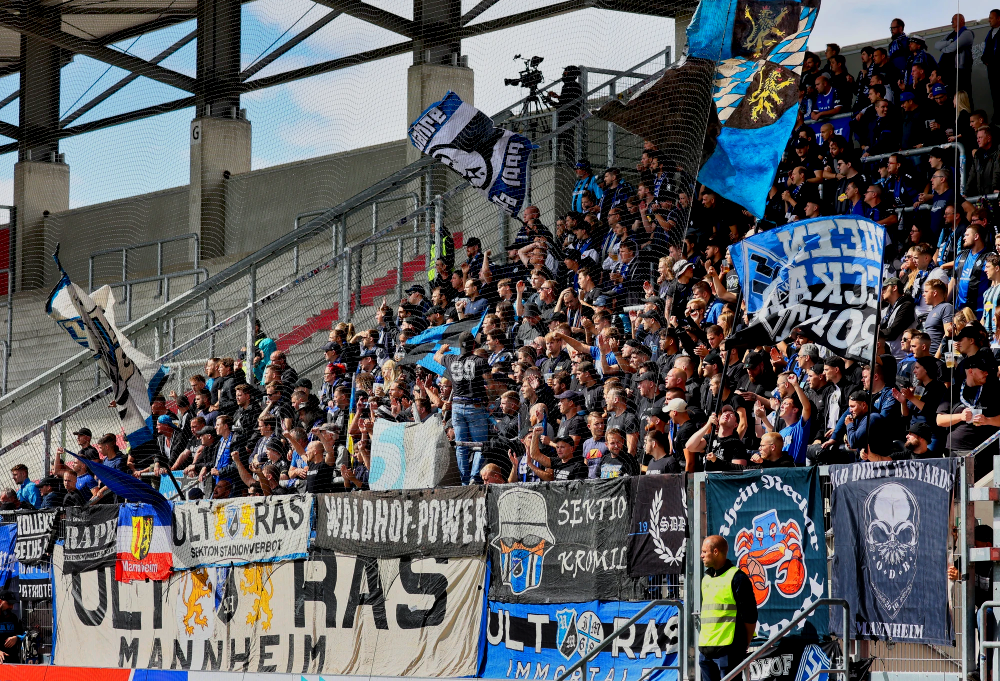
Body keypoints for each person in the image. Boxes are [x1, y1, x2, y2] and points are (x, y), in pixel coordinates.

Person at [698, 535, 758, 681]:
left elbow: (750, 616)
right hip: (705, 650)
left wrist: (745, 642)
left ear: (716, 552)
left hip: (728, 650)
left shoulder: (738, 578)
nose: (701, 555)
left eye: (705, 552)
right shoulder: (706, 579)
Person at [434, 331, 490, 485]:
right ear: (474, 345)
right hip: (475, 406)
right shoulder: (480, 361)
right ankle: (474, 478)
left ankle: (464, 481)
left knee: (461, 445)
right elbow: (490, 382)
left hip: (457, 407)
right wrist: (489, 400)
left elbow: (436, 357)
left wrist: (443, 349)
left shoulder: (451, 359)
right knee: (479, 444)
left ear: (459, 346)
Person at [983, 9, 1000, 122]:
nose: (989, 20)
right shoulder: (990, 33)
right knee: (995, 93)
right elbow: (987, 50)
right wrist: (984, 59)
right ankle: (998, 115)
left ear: (999, 18)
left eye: (991, 18)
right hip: (992, 69)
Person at [0, 591, 24, 664]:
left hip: (12, 660)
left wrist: (16, 638)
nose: (11, 607)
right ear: (0, 601)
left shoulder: (13, 617)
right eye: (9, 604)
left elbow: (22, 634)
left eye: (12, 604)